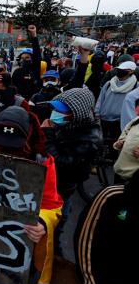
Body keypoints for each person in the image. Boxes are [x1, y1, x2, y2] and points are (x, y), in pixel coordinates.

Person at [0, 106, 63, 284]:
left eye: (14, 145)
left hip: (21, 243)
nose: (6, 150)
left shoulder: (42, 162)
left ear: (28, 136)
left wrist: (42, 223)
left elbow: (52, 205)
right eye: (2, 143)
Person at [42, 88, 101, 255]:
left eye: (60, 111)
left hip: (61, 191)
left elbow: (62, 164)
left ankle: (55, 264)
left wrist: (48, 135)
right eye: (54, 109)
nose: (55, 114)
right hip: (50, 186)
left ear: (77, 112)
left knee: (53, 232)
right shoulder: (69, 124)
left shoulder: (90, 139)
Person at [95, 60, 138, 146]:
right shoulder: (109, 84)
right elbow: (101, 98)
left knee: (116, 144)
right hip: (104, 119)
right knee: (102, 142)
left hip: (120, 122)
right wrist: (97, 112)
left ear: (131, 71)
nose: (119, 71)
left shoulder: (136, 86)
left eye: (123, 69)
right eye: (119, 69)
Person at [11, 25, 42, 101]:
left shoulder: (35, 70)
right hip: (19, 103)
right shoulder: (16, 72)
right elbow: (12, 87)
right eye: (22, 58)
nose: (24, 60)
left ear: (32, 58)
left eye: (27, 57)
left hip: (33, 102)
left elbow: (37, 53)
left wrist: (34, 35)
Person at [114, 98, 139, 180]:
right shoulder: (134, 122)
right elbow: (119, 141)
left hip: (133, 176)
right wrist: (118, 144)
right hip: (119, 170)